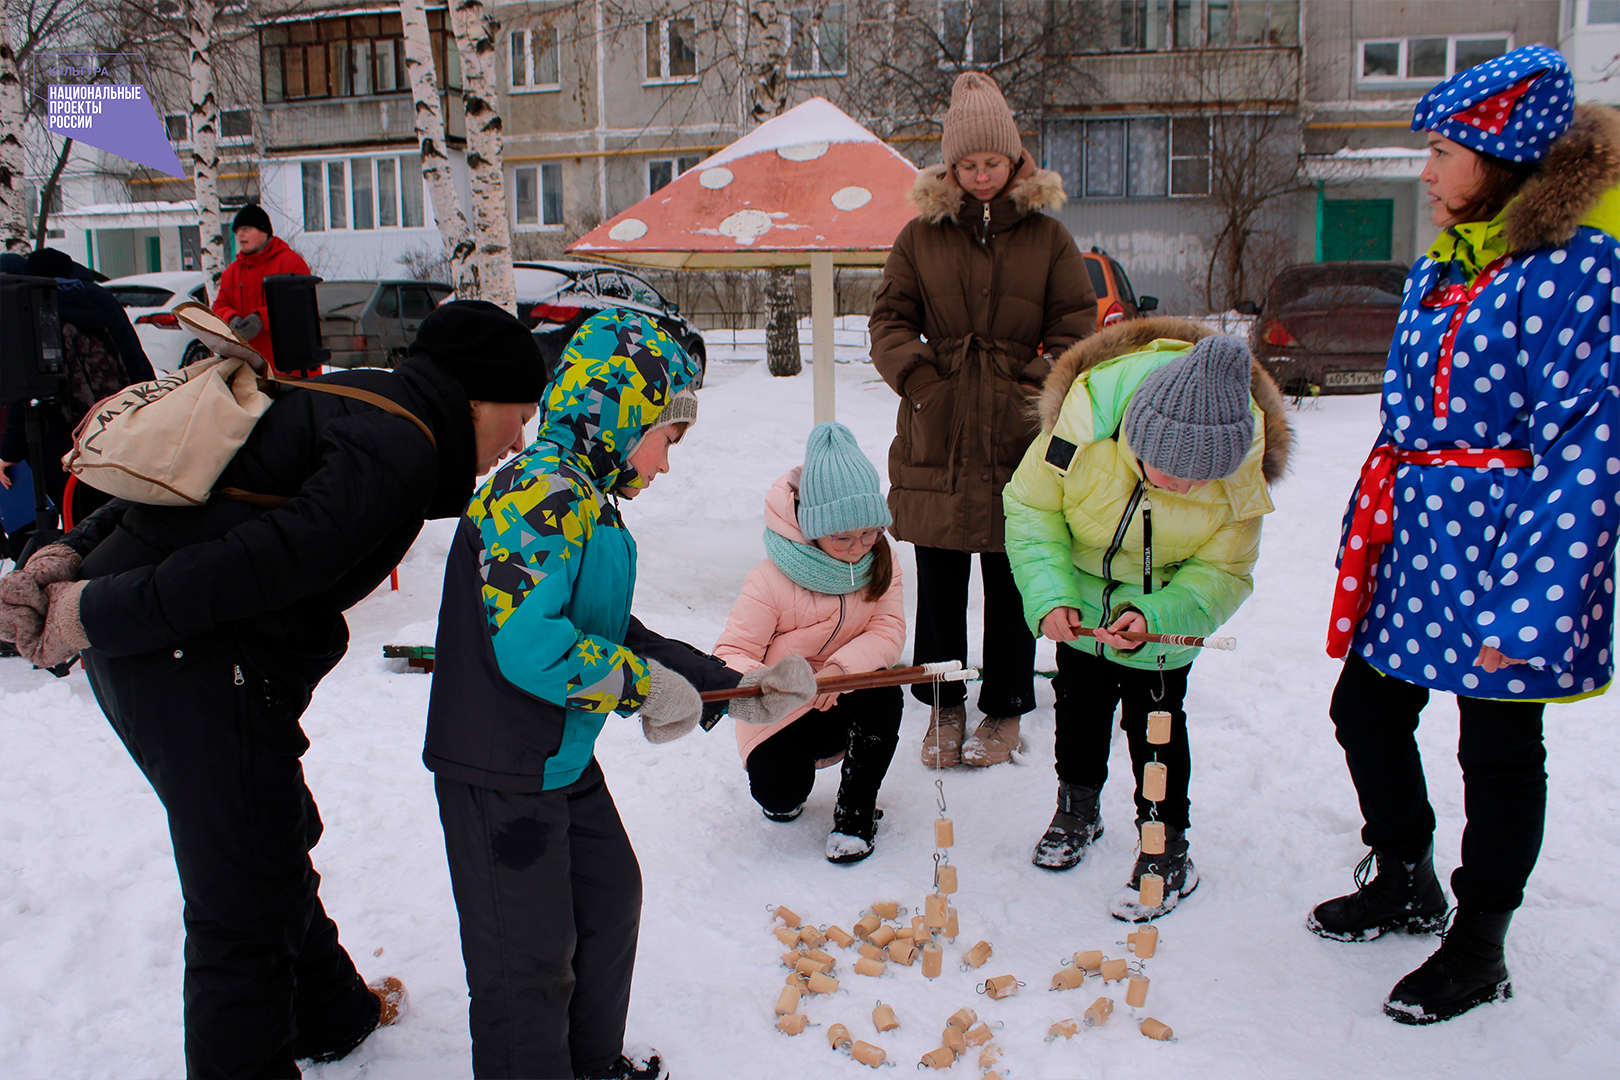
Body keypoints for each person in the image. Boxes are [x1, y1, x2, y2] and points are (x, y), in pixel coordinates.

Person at [0, 299, 547, 1077]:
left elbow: (189, 472)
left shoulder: (353, 393)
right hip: (182, 656)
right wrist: (93, 606)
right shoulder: (401, 448)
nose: (515, 442)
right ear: (475, 398)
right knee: (239, 910)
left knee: (263, 837)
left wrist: (69, 557)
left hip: (153, 646)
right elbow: (255, 564)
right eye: (517, 416)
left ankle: (330, 1014)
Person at [1308, 45, 1620, 1026]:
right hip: (1419, 539)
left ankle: (1480, 942)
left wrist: (1532, 609)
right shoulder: (1448, 261)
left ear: (1501, 154)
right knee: (1366, 708)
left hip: (1511, 538)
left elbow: (1586, 443)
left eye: (1442, 151)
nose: (1426, 172)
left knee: (1495, 743)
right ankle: (1405, 873)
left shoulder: (1574, 266)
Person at [424, 310, 815, 1080]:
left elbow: (612, 630)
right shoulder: (537, 490)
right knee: (525, 967)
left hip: (557, 759)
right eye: (667, 438)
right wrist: (641, 690)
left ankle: (592, 1063)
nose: (667, 464)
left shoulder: (587, 500)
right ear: (622, 412)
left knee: (608, 904)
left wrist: (728, 687)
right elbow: (530, 643)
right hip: (499, 772)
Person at [1003, 330, 1290, 920]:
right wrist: (1053, 598)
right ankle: (1077, 806)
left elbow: (1224, 571)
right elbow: (1032, 511)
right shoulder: (1079, 433)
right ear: (1137, 432)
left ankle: (1166, 843)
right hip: (1081, 600)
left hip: (1162, 615)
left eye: (1196, 478)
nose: (1179, 487)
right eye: (1167, 468)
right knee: (1078, 704)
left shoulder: (1240, 476)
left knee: (1155, 723)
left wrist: (1155, 616)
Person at [870, 70, 1096, 770]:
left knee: (1014, 578)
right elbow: (889, 319)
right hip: (937, 432)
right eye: (967, 165)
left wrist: (1034, 385)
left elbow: (1076, 325)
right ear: (950, 166)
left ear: (1015, 158)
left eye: (991, 163)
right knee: (939, 582)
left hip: (1018, 435)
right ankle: (943, 707)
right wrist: (923, 380)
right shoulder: (919, 236)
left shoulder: (1050, 238)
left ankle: (1003, 710)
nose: (980, 176)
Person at [716, 421, 907, 864]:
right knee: (779, 797)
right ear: (812, 527)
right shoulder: (770, 579)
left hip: (843, 691)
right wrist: (783, 682)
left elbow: (888, 631)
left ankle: (855, 815)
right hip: (781, 706)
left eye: (869, 533)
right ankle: (784, 786)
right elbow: (730, 654)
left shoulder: (882, 559)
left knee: (884, 692)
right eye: (843, 537)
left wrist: (839, 671)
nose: (859, 547)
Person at [0, 247, 155, 551]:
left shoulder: (38, 306)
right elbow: (134, 356)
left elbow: (26, 390)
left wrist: (9, 452)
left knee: (83, 520)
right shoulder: (98, 298)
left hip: (67, 432)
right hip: (121, 420)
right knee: (122, 506)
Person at [213, 203, 317, 377]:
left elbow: (299, 309)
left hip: (289, 370)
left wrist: (262, 319)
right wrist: (231, 317)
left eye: (246, 229)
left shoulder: (291, 263)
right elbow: (219, 305)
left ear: (264, 230)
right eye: (237, 231)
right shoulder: (231, 272)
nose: (240, 235)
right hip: (248, 371)